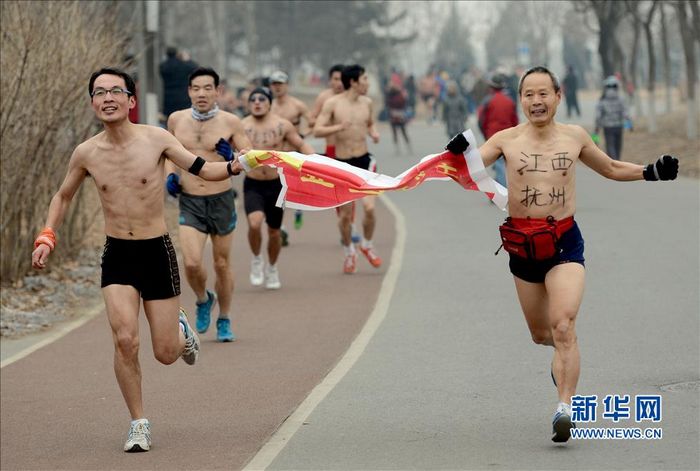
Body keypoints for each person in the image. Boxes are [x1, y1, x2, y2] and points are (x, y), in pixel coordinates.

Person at [31, 67, 245, 452]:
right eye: (100, 92)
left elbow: (204, 169)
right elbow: (62, 196)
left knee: (165, 354)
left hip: (156, 251)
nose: (108, 97)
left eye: (116, 90)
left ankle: (179, 329)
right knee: (125, 339)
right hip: (118, 254)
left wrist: (234, 166)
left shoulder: (157, 139)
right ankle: (139, 422)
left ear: (131, 100)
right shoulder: (87, 152)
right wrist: (48, 234)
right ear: (93, 102)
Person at [469, 65, 678, 443]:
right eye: (529, 94)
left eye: (543, 93)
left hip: (564, 241)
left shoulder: (575, 137)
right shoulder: (505, 139)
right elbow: (467, 169)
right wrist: (455, 154)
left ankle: (564, 406)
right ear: (521, 100)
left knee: (563, 325)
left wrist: (652, 171)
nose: (537, 101)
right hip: (523, 246)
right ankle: (563, 359)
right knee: (540, 334)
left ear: (558, 96)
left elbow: (612, 167)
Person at [166, 67, 252, 342]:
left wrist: (233, 157)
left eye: (207, 88)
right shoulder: (176, 120)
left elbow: (250, 157)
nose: (201, 94)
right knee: (191, 263)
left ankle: (224, 318)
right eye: (196, 88)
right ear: (189, 91)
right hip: (190, 200)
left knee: (222, 264)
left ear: (218, 91)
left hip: (221, 200)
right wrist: (170, 174)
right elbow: (169, 152)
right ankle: (204, 299)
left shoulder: (231, 122)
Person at [226, 86, 314, 289]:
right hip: (253, 184)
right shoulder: (240, 126)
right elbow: (226, 150)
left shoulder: (282, 125)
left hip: (277, 184)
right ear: (248, 104)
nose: (257, 102)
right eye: (253, 99)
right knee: (255, 223)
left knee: (274, 232)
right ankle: (257, 259)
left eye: (261, 99)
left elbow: (300, 145)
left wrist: (316, 162)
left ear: (269, 103)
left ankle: (272, 268)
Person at [313, 64, 382, 274]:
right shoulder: (333, 104)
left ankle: (367, 245)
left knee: (369, 208)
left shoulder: (367, 103)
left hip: (364, 161)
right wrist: (338, 127)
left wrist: (374, 133)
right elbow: (317, 130)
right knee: (344, 216)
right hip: (343, 165)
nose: (368, 83)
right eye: (365, 79)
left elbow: (370, 123)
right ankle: (349, 250)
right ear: (353, 82)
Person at [269, 70, 314, 234]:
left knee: (294, 189)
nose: (277, 87)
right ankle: (280, 226)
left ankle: (298, 211)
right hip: (277, 155)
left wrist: (303, 134)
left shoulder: (297, 105)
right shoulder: (269, 105)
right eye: (274, 84)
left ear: (286, 85)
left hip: (295, 153)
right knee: (279, 191)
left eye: (280, 84)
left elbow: (312, 123)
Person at [478, 72, 519, 187]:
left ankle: (502, 189)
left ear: (491, 87)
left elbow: (481, 120)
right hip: (508, 135)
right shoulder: (510, 101)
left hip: (492, 135)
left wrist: (485, 134)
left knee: (499, 163)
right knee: (502, 162)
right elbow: (515, 119)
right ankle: (498, 185)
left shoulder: (487, 101)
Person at [595, 75, 632, 161]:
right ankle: (617, 163)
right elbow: (625, 113)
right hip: (619, 126)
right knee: (618, 147)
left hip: (608, 127)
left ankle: (613, 163)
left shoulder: (602, 100)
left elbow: (598, 116)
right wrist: (629, 125)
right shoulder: (621, 99)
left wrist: (596, 129)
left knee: (610, 146)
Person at [159, 47, 199, 119]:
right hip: (183, 99)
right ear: (176, 54)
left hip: (168, 100)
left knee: (171, 120)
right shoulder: (183, 65)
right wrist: (187, 59)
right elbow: (195, 67)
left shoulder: (163, 66)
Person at [385, 81, 412, 154]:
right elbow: (404, 102)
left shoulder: (391, 96)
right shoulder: (399, 95)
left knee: (397, 132)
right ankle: (406, 147)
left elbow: (388, 104)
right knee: (402, 131)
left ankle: (399, 148)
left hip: (394, 115)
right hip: (399, 114)